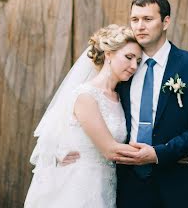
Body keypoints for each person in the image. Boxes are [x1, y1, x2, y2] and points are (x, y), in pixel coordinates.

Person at [115, 0, 188, 208]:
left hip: (179, 183)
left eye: (148, 19)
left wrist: (161, 153)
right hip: (129, 185)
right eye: (135, 19)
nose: (139, 26)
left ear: (165, 22)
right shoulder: (121, 67)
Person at [24, 24, 142, 208]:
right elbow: (110, 149)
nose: (134, 66)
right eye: (129, 57)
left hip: (106, 187)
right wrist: (164, 152)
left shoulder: (120, 97)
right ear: (109, 54)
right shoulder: (86, 96)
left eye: (138, 61)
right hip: (78, 187)